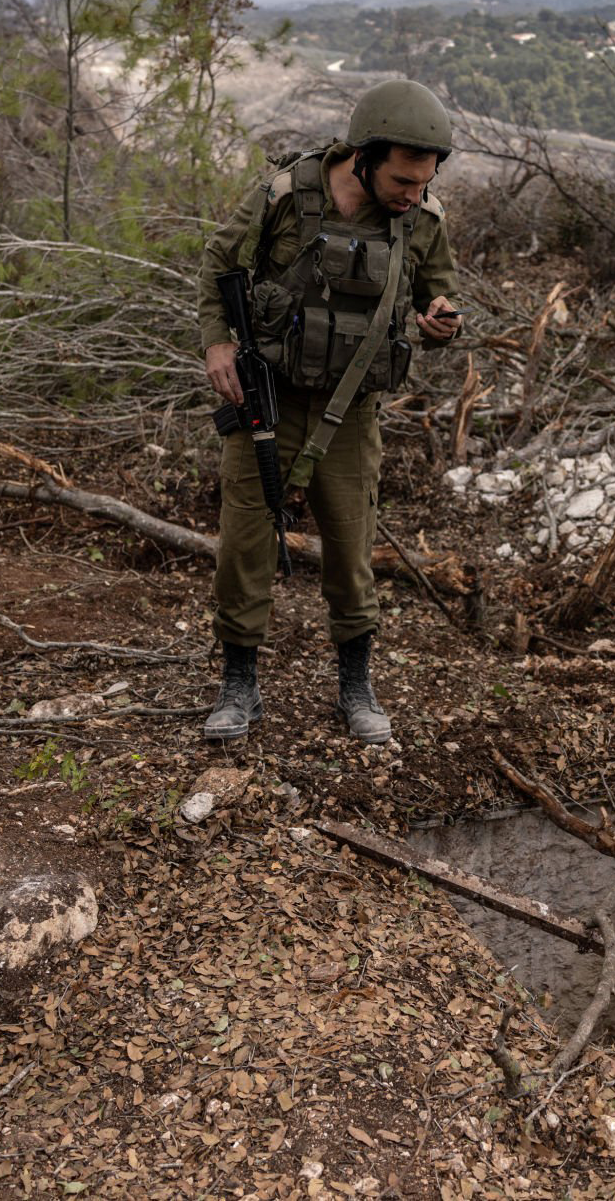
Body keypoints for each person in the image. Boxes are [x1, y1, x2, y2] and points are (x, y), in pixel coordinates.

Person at [200, 79, 462, 743]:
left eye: (422, 182)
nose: (412, 193)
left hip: (351, 413)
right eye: (402, 179)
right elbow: (218, 263)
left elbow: (440, 292)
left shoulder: (419, 222)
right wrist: (218, 344)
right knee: (245, 544)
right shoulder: (285, 196)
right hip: (271, 397)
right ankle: (239, 684)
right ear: (365, 155)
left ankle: (355, 684)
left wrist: (441, 319)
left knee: (350, 550)